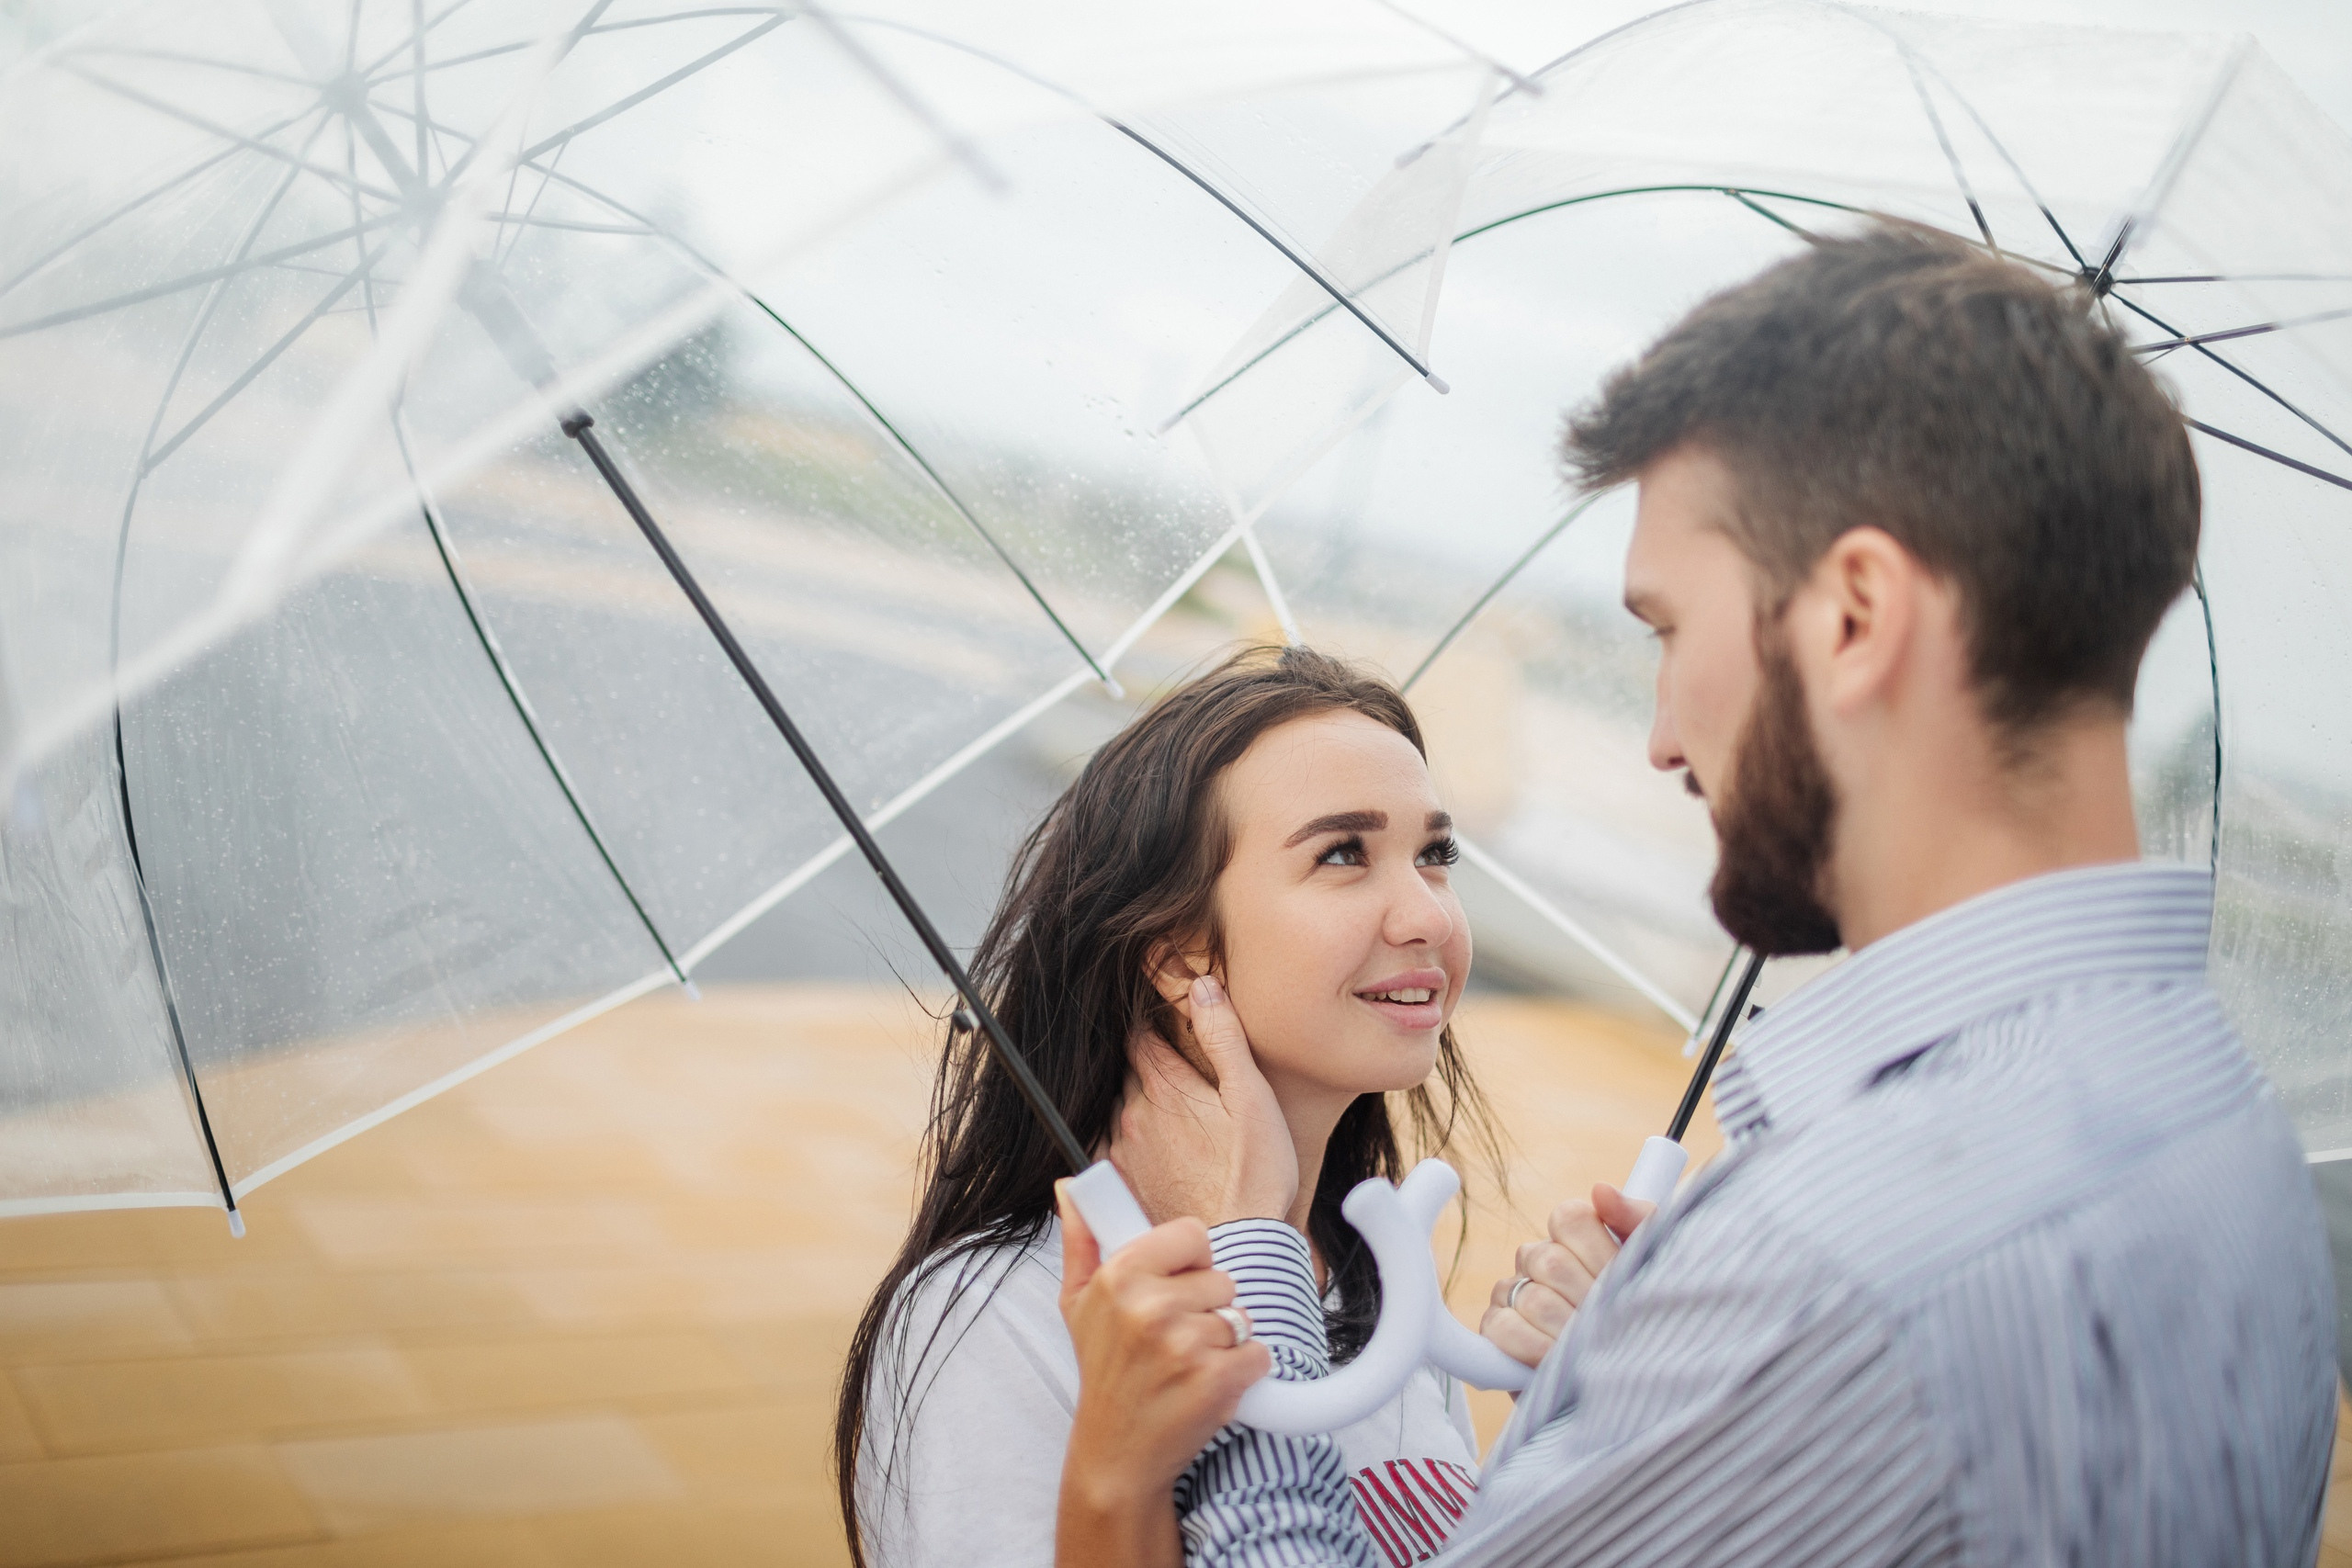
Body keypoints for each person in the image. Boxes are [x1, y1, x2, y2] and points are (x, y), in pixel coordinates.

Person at [1051, 222, 2340, 1566]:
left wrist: (1252, 1271)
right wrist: (1653, 1367)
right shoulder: (2223, 1122)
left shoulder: (1828, 1266)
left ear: (1854, 614)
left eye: (1670, 629)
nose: (1664, 736)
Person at [835, 647, 1507, 1567]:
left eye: (1433, 854)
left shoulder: (1379, 1287)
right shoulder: (1001, 1318)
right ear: (1182, 954)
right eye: (1343, 853)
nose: (1427, 915)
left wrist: (1576, 1409)